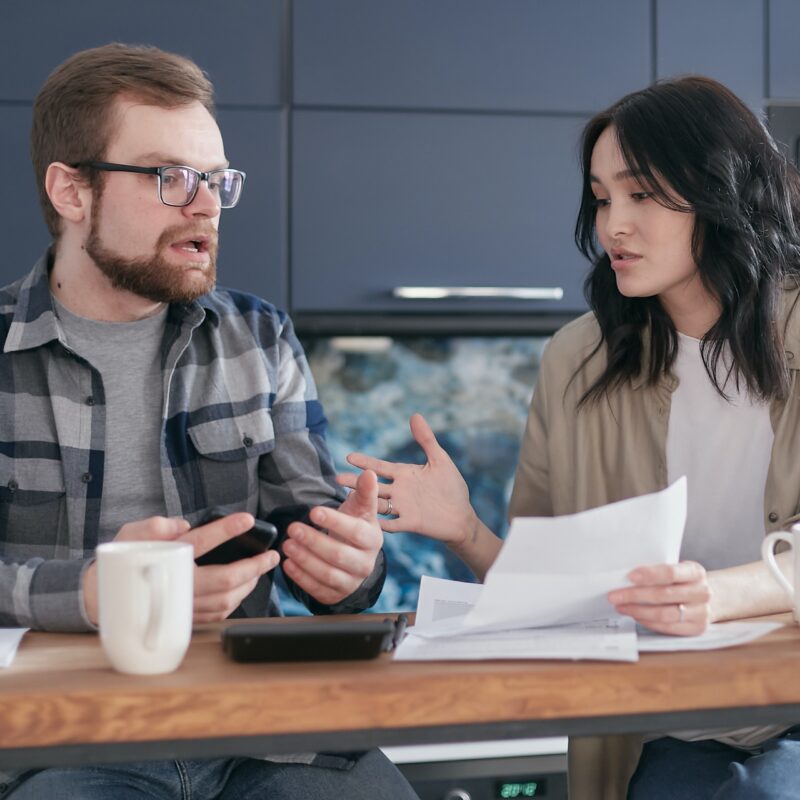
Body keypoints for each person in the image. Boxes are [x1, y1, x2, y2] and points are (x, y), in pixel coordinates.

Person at [342, 76, 800, 800]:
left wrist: (718, 596)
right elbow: (550, 599)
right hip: (677, 726)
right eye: (601, 197)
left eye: (641, 194)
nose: (613, 224)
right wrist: (464, 530)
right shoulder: (577, 361)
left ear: (722, 190)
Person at [0, 43, 418, 799]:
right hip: (62, 741)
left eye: (218, 182)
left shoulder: (259, 339)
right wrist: (93, 594)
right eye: (173, 178)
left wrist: (353, 568)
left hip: (265, 734)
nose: (205, 206)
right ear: (71, 190)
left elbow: (325, 557)